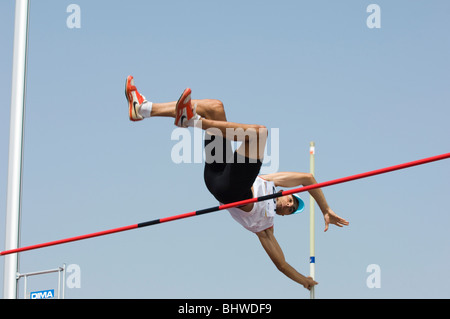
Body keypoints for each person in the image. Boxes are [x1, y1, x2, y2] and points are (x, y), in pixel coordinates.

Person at [125, 75, 349, 291]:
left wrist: (304, 280)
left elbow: (282, 264)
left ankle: (192, 121)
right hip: (217, 172)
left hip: (232, 191)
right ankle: (142, 109)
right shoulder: (271, 181)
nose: (289, 206)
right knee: (215, 107)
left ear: (282, 216)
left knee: (259, 134)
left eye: (290, 211)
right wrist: (326, 209)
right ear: (283, 193)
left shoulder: (266, 227)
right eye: (291, 201)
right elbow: (307, 179)